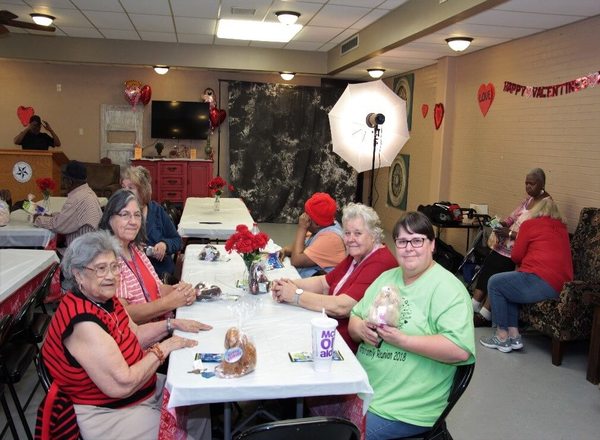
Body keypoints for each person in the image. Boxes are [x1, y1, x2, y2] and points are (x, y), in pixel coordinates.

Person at [36, 230, 212, 439]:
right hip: (109, 411)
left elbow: (134, 334)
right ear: (78, 274)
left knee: (197, 400)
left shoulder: (104, 300)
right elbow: (123, 384)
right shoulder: (82, 323)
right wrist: (164, 348)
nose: (111, 276)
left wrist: (171, 324)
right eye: (101, 269)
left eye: (114, 266)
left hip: (141, 390)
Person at [348, 211, 475, 440]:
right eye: (402, 241)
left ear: (432, 245)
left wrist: (402, 340)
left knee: (338, 435)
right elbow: (354, 318)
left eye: (417, 240)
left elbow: (458, 349)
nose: (409, 248)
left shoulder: (448, 289)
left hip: (402, 409)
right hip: (362, 391)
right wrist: (360, 329)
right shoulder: (386, 278)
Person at [272, 203, 397, 352]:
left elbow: (342, 307)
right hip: (329, 326)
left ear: (373, 235)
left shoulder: (380, 261)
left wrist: (296, 295)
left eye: (358, 233)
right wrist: (288, 284)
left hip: (344, 344)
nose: (350, 239)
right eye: (347, 233)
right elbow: (324, 283)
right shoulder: (357, 254)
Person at [480, 199, 573, 353]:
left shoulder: (530, 225)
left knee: (495, 283)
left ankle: (501, 336)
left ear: (536, 212)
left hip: (540, 280)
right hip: (562, 287)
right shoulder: (562, 228)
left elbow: (516, 256)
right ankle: (514, 336)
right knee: (508, 288)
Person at [99, 189, 199, 325]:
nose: (133, 222)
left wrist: (181, 292)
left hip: (159, 327)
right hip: (138, 340)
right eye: (125, 215)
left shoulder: (136, 248)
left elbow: (157, 288)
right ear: (109, 218)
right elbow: (123, 314)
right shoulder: (107, 259)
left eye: (137, 215)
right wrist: (169, 303)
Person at [472, 168, 551, 327]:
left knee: (501, 265)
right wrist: (502, 225)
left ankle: (485, 313)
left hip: (522, 247)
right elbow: (512, 218)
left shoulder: (547, 206)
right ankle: (474, 303)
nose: (528, 187)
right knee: (490, 263)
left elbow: (536, 235)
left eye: (532, 184)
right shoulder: (528, 200)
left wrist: (510, 233)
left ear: (542, 184)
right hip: (506, 243)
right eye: (526, 183)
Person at [121, 165, 182, 278]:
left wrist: (165, 245)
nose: (125, 192)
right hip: (132, 273)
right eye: (123, 187)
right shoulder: (118, 214)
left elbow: (177, 241)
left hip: (159, 272)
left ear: (142, 190)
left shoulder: (157, 211)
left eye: (130, 188)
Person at [34, 160, 102, 248]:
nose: (63, 183)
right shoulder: (88, 193)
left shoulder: (77, 198)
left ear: (69, 181)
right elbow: (69, 218)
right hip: (91, 248)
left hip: (80, 253)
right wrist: (52, 216)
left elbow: (58, 225)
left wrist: (38, 219)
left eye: (63, 180)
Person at [281, 192, 346, 278]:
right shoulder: (322, 225)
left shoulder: (330, 238)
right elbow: (303, 247)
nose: (303, 217)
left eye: (307, 215)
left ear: (317, 224)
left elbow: (296, 261)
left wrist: (301, 228)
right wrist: (286, 250)